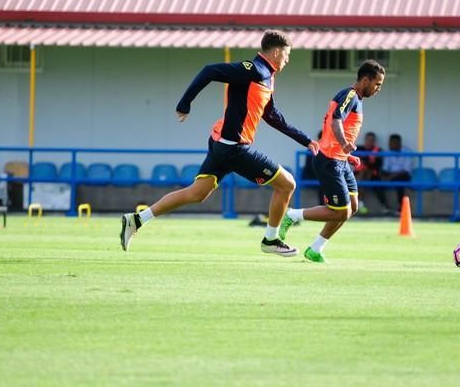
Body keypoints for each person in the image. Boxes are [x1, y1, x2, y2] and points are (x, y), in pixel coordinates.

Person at [120, 30, 319, 256]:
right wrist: (185, 103)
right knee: (287, 184)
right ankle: (271, 240)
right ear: (275, 52)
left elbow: (272, 115)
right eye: (287, 55)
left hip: (222, 143)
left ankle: (137, 220)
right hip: (233, 147)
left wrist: (306, 140)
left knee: (197, 193)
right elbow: (210, 70)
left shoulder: (267, 77)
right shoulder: (252, 69)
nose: (287, 60)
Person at [278, 60, 386, 263]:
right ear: (365, 80)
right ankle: (292, 215)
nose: (378, 88)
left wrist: (346, 153)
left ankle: (316, 249)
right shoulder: (351, 95)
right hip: (329, 159)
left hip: (340, 159)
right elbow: (336, 120)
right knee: (341, 211)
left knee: (352, 207)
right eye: (377, 83)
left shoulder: (357, 98)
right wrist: (345, 144)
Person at [354, 131, 392, 214]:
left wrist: (365, 161)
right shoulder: (358, 148)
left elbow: (376, 165)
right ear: (365, 140)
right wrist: (366, 162)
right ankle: (358, 203)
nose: (370, 141)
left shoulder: (378, 150)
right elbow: (354, 160)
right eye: (368, 139)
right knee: (360, 177)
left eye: (372, 140)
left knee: (375, 183)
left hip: (373, 174)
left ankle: (385, 207)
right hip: (357, 174)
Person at [381, 133, 412, 214]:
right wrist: (385, 176)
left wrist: (391, 176)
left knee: (400, 183)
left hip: (403, 175)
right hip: (391, 175)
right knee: (377, 181)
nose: (390, 144)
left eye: (393, 142)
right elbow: (385, 168)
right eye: (390, 142)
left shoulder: (406, 152)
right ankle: (386, 207)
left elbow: (406, 170)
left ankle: (401, 208)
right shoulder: (388, 153)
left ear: (398, 143)